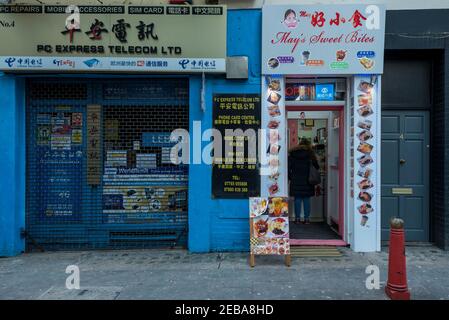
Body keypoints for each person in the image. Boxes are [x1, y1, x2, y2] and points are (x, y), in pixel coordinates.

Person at [288, 138, 319, 224]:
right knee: (306, 199)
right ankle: (307, 219)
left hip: (295, 180)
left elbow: (288, 168)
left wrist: (291, 177)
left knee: (297, 199)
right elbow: (316, 167)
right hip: (308, 180)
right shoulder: (311, 155)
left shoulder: (292, 154)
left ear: (299, 145)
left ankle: (297, 219)